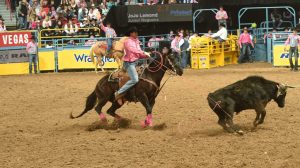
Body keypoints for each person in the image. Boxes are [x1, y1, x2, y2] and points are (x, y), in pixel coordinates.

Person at [114, 27, 151, 103]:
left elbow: (138, 53)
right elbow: (133, 50)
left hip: (135, 63)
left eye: (137, 32)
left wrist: (145, 55)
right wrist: (143, 53)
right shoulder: (128, 42)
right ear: (131, 33)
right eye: (135, 32)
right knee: (135, 79)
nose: (137, 34)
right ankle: (119, 93)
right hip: (129, 63)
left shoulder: (136, 41)